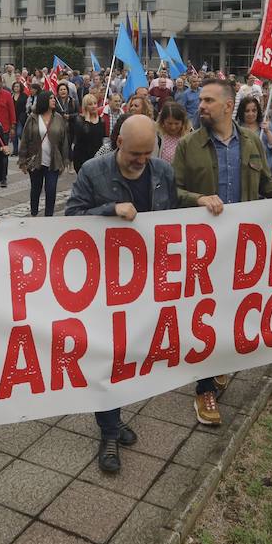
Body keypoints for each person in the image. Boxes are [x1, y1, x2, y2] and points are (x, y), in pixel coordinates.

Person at [173, 79, 272, 425]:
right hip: (204, 249)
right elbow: (172, 190)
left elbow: (268, 186)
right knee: (206, 317)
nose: (202, 106)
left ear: (229, 106)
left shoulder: (252, 142)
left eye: (209, 100)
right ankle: (205, 389)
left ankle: (221, 363)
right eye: (201, 100)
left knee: (233, 311)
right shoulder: (188, 145)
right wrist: (197, 199)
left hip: (242, 248)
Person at [65, 114, 172, 473]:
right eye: (135, 154)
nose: (142, 161)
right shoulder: (93, 171)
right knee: (109, 356)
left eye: (148, 153)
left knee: (132, 355)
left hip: (144, 282)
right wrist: (110, 210)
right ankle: (109, 430)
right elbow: (72, 218)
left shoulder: (162, 172)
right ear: (119, 143)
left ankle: (115, 420)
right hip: (103, 282)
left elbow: (174, 217)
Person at [19, 90, 70, 217]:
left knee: (51, 190)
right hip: (35, 160)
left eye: (54, 98)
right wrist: (22, 160)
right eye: (51, 98)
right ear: (44, 101)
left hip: (53, 161)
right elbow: (25, 139)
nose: (54, 100)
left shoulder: (58, 118)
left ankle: (49, 216)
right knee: (36, 189)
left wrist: (65, 161)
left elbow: (64, 141)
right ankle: (34, 213)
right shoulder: (33, 117)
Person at [70, 93, 109, 170]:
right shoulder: (79, 120)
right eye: (90, 104)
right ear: (85, 106)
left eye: (95, 103)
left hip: (97, 157)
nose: (94, 106)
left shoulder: (101, 121)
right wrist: (87, 121)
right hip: (82, 158)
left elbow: (103, 139)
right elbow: (80, 137)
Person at [155, 100, 190, 164]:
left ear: (183, 123)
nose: (173, 127)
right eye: (169, 123)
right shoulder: (157, 137)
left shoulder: (189, 138)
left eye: (176, 124)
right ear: (163, 122)